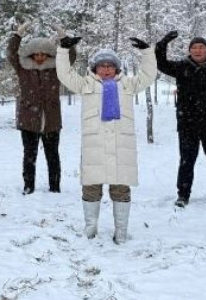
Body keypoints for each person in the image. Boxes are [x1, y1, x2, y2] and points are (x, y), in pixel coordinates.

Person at [56, 34, 156, 244]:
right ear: (94, 68)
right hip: (95, 146)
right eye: (102, 66)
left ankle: (121, 231)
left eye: (111, 65)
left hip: (122, 147)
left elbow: (148, 74)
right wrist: (63, 51)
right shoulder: (85, 84)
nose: (107, 69)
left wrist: (147, 52)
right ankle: (90, 228)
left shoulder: (128, 85)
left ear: (117, 68)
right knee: (91, 187)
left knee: (121, 188)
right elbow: (64, 74)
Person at [155, 29, 206, 207]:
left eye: (201, 47)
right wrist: (163, 43)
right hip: (187, 124)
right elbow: (160, 64)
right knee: (186, 161)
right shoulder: (181, 67)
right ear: (189, 51)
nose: (198, 50)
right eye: (194, 47)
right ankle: (183, 195)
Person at [7, 21, 75, 194]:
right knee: (29, 156)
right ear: (30, 55)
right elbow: (11, 54)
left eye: (43, 54)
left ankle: (55, 188)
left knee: (53, 156)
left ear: (48, 55)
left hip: (51, 120)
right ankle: (28, 187)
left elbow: (70, 57)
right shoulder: (23, 69)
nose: (39, 57)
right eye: (36, 54)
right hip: (29, 120)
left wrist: (63, 37)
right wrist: (18, 35)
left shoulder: (56, 70)